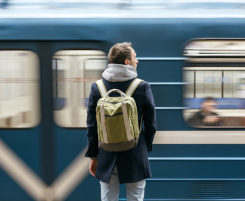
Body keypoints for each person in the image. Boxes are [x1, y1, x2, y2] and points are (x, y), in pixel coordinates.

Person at [85, 42, 157, 201]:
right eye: (135, 58)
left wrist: (93, 156)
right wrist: (145, 147)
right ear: (127, 62)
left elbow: (92, 126)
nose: (137, 61)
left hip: (107, 154)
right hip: (135, 153)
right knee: (135, 198)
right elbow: (151, 125)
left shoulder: (97, 88)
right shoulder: (142, 87)